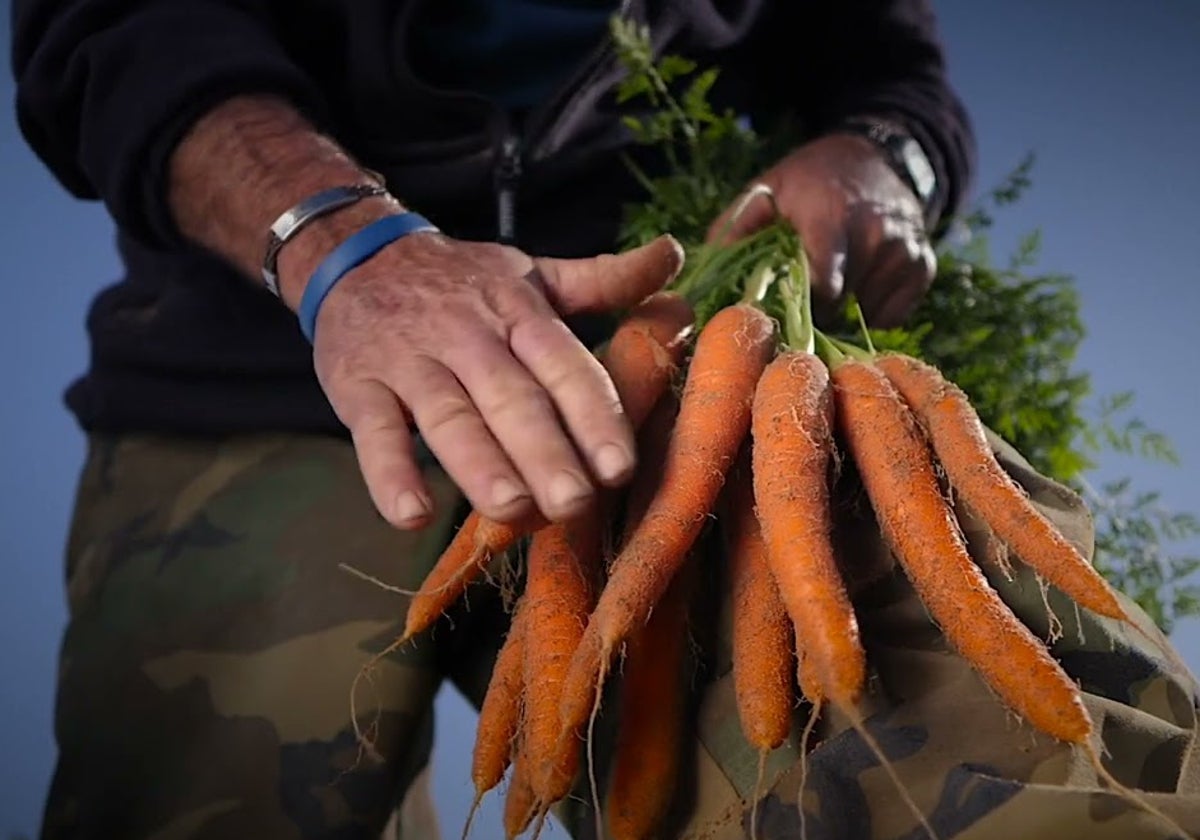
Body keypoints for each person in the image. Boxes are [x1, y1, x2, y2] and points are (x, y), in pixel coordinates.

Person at [12, 1, 1200, 838]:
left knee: (968, 736)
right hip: (263, 362)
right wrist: (338, 247)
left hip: (686, 396)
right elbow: (106, 25)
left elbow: (885, 59)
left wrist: (893, 157)